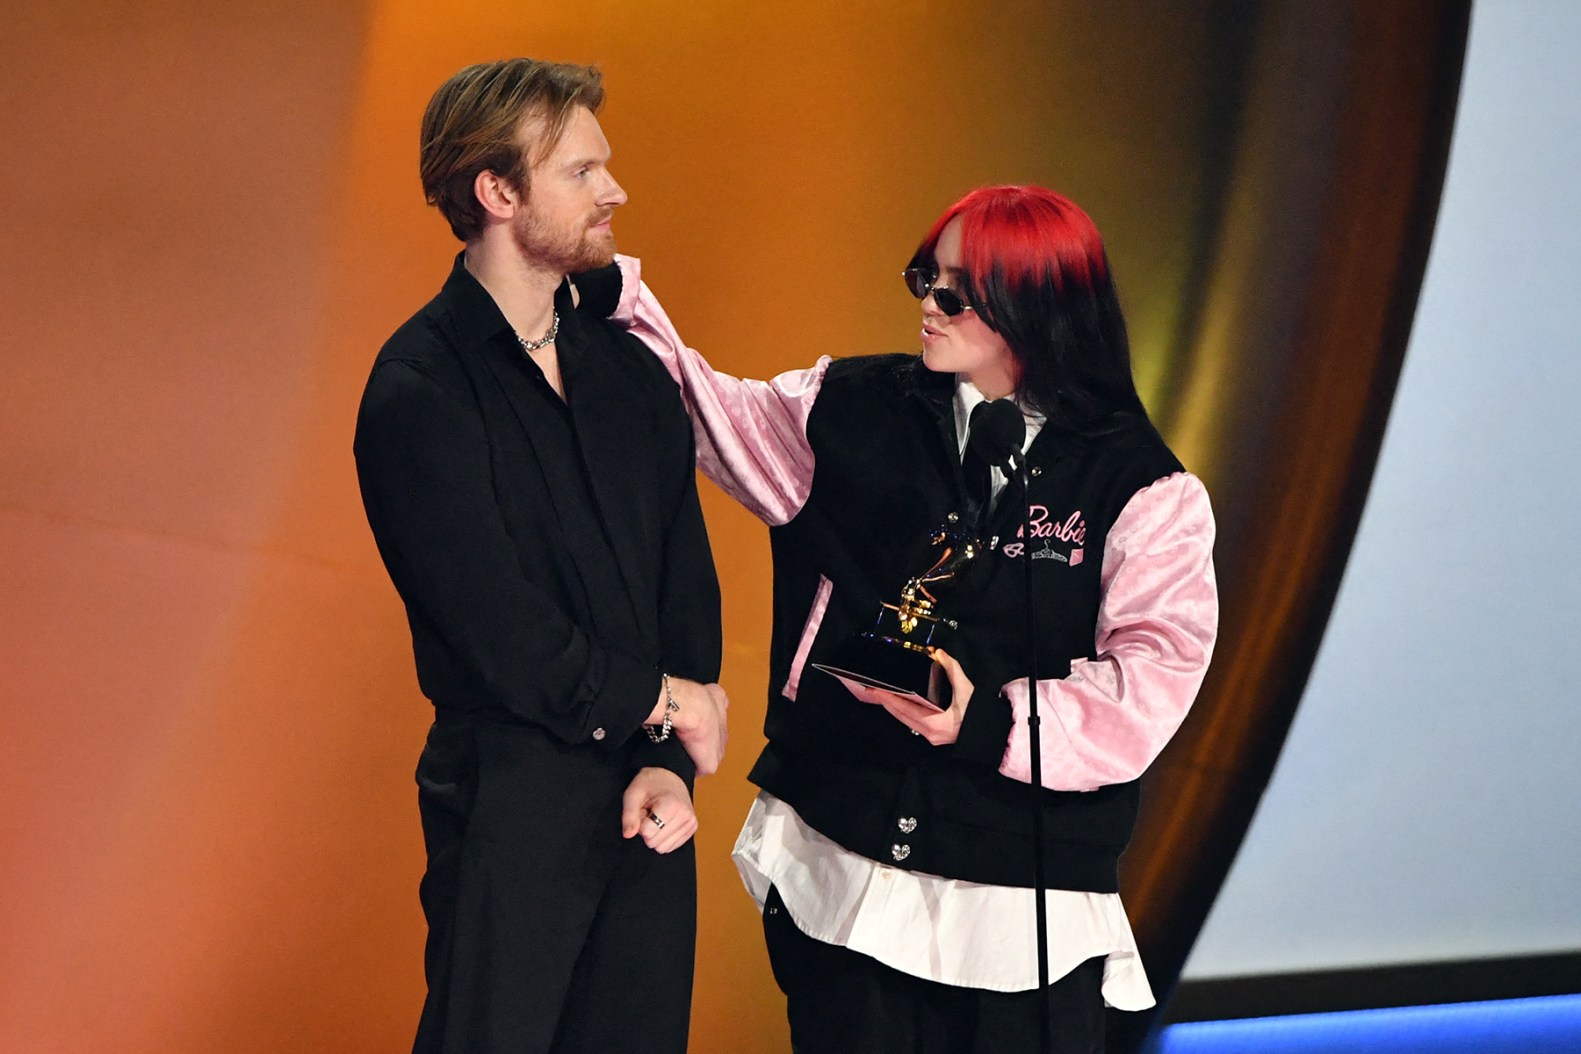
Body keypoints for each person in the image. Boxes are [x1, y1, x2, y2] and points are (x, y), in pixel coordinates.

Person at [584, 185, 1218, 1053]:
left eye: (955, 292)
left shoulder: (1144, 489)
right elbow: (701, 409)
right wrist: (613, 293)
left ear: (1035, 305)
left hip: (1014, 913)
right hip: (837, 865)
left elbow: (1149, 685)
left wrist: (983, 718)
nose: (926, 304)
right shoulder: (850, 405)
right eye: (925, 277)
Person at [352, 59, 729, 1054]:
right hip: (510, 803)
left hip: (645, 810)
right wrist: (669, 701)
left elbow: (679, 578)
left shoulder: (630, 372)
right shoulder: (418, 391)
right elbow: (503, 634)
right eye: (582, 172)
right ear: (499, 193)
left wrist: (663, 761)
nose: (615, 191)